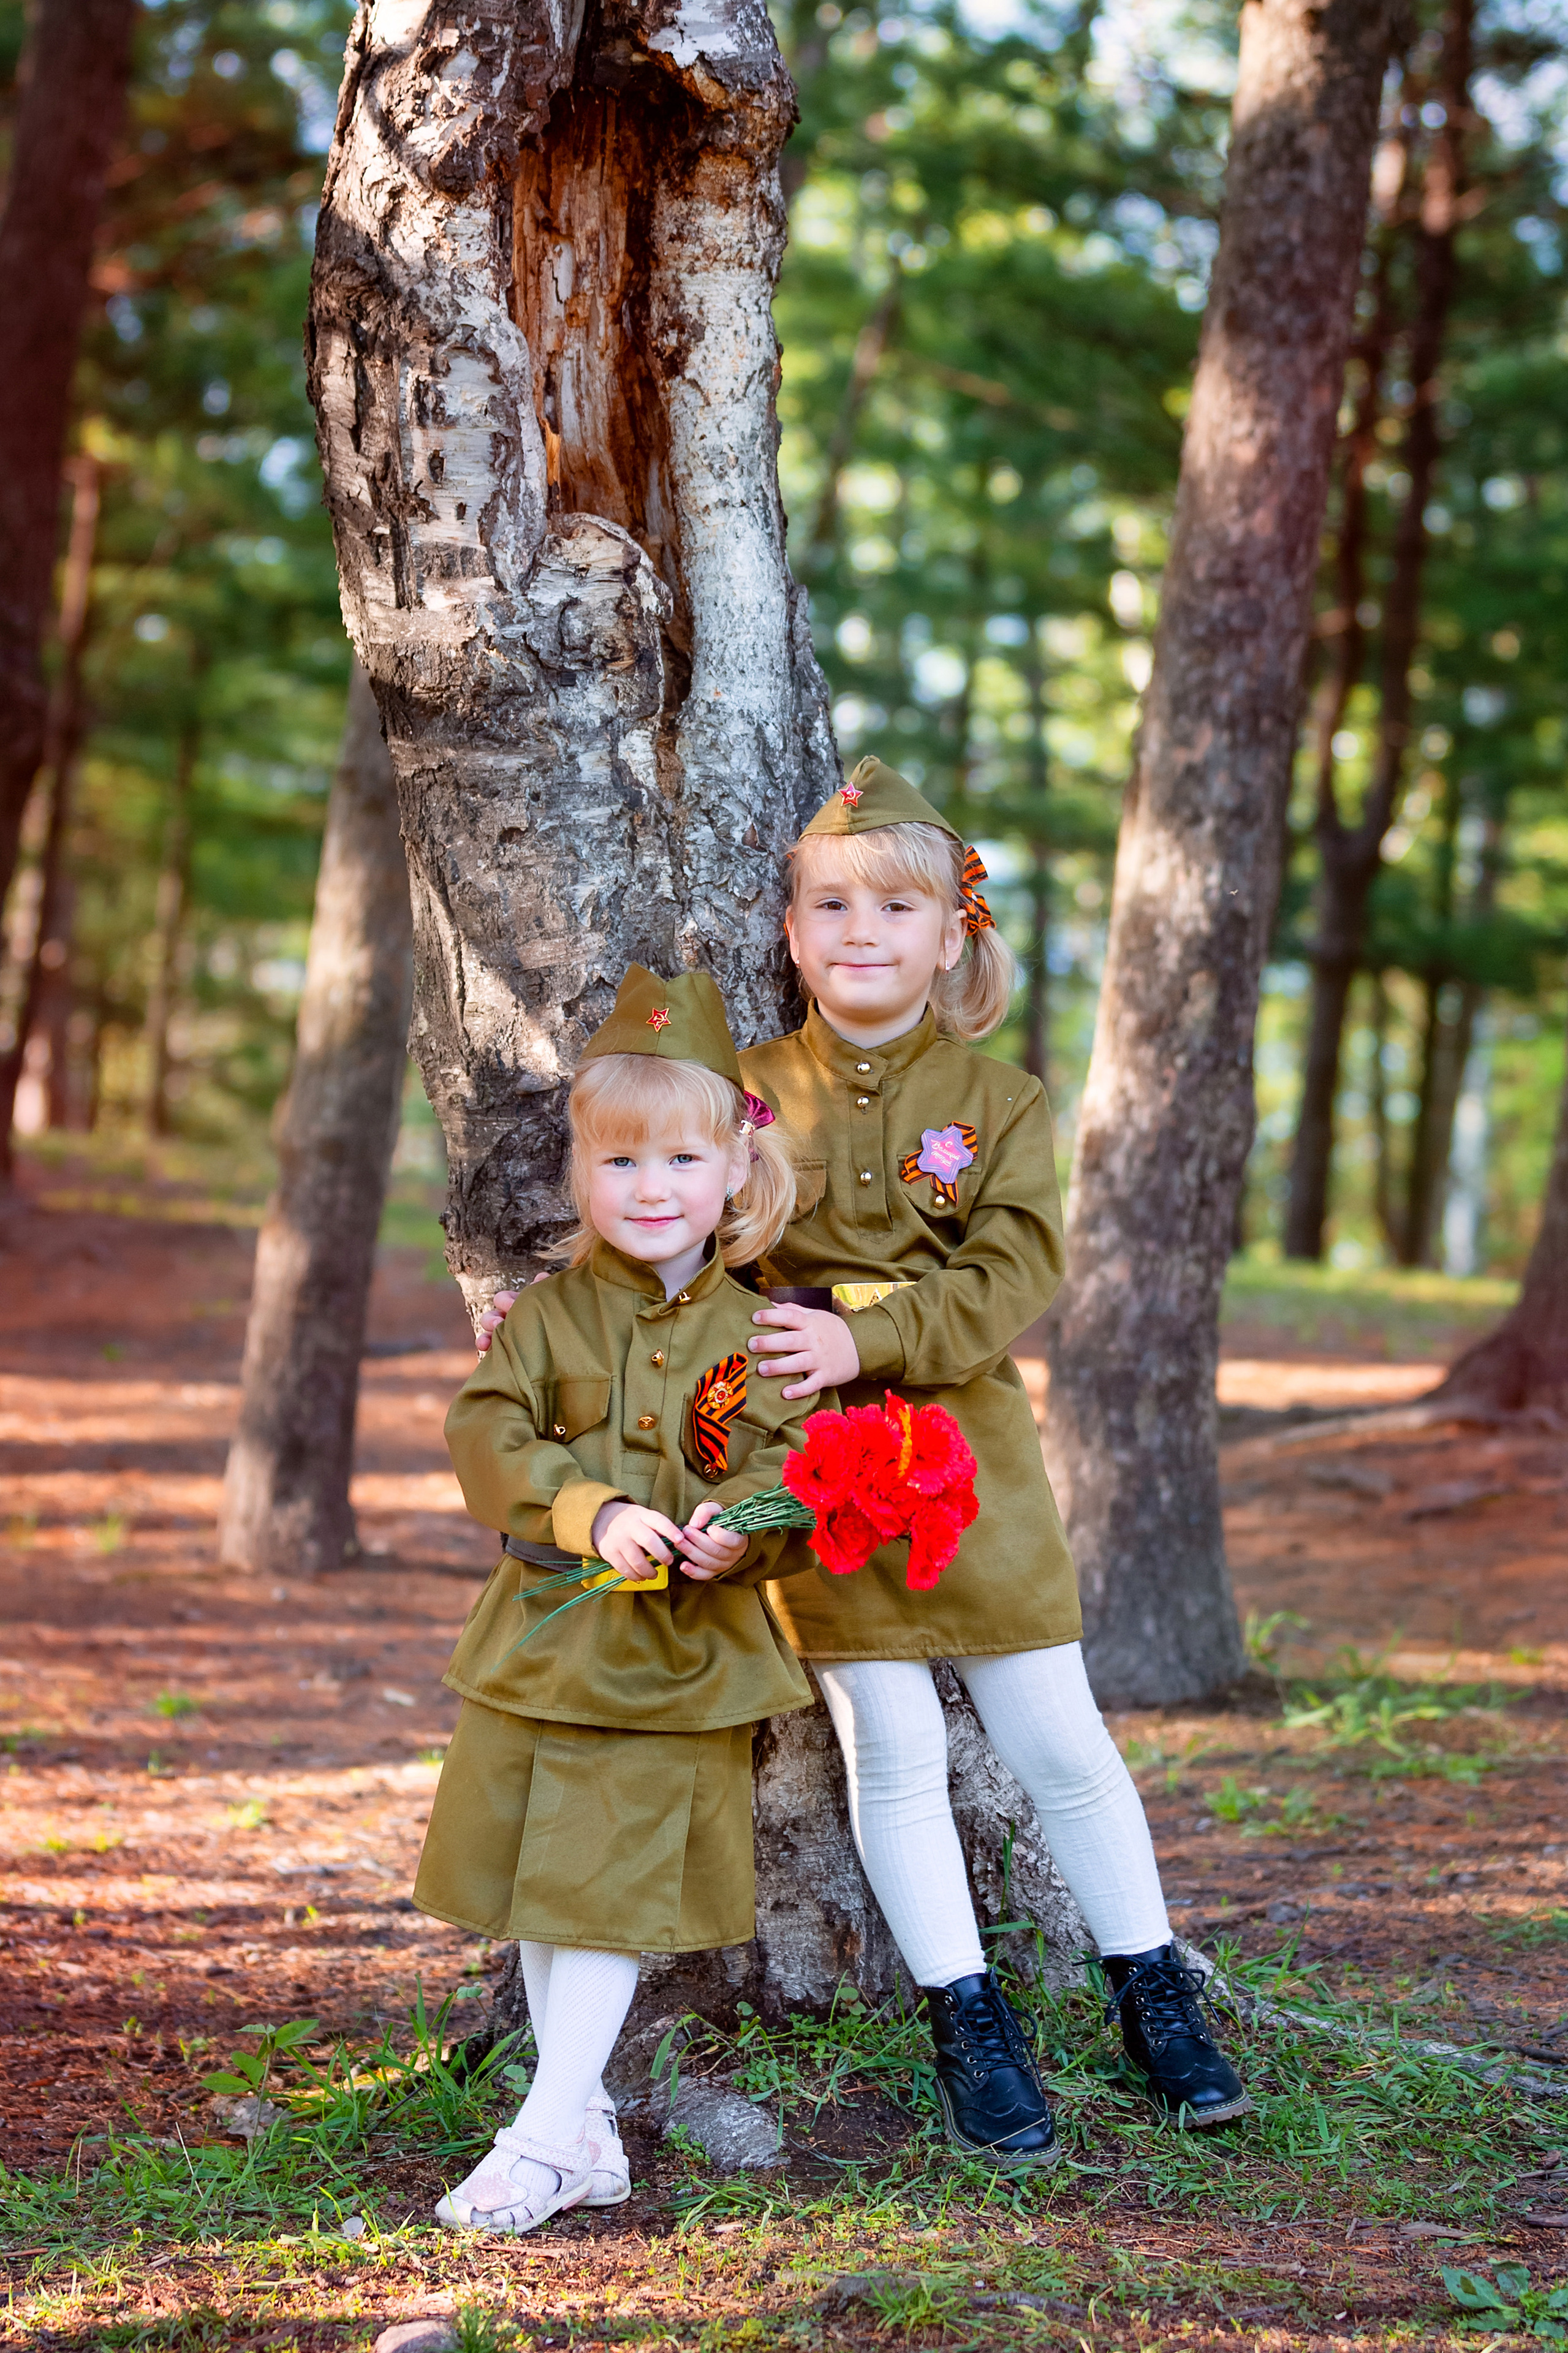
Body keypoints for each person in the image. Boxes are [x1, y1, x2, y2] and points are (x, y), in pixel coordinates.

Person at [477, 759, 1249, 2162]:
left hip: (972, 1464)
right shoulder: (748, 1093)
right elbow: (688, 1241)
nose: (859, 931)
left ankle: (1150, 1990)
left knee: (1057, 1740)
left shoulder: (998, 1100)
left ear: (950, 931)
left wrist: (868, 1330)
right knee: (886, 1745)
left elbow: (1015, 1270)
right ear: (786, 933)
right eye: (827, 904)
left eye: (894, 905)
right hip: (803, 1473)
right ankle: (967, 2018)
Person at [417, 964, 820, 2235]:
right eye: (619, 1164)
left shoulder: (762, 1336)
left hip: (672, 1664)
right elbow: (487, 1435)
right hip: (544, 1648)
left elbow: (791, 1485)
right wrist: (587, 1508)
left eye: (681, 1162)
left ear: (735, 1174)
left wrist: (732, 1537)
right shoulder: (544, 1320)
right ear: (579, 1177)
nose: (651, 1191)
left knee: (598, 1893)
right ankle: (584, 2134)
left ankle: (539, 2138)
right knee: (549, 1888)